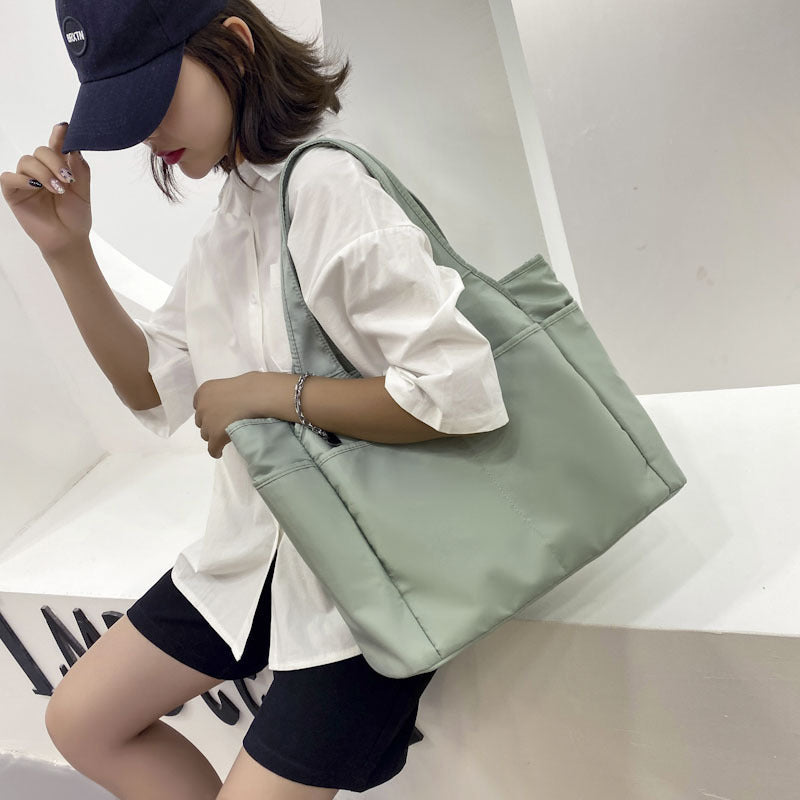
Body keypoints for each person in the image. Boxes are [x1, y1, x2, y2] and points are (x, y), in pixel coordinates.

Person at [1, 1, 509, 798]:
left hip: (363, 585)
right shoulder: (235, 219)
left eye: (155, 96)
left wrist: (266, 395)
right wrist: (68, 251)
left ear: (234, 46)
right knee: (82, 720)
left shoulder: (329, 187)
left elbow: (460, 391)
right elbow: (151, 387)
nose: (148, 134)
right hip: (254, 551)